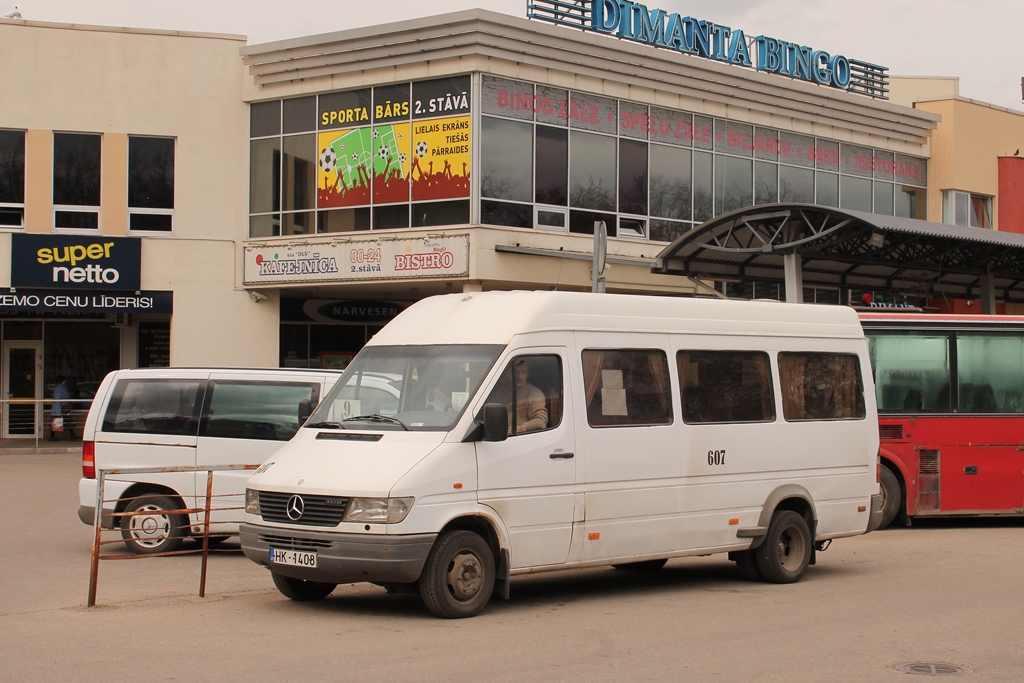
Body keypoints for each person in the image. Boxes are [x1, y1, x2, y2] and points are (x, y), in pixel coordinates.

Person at [490, 359, 548, 434]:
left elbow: (541, 422)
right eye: (516, 372)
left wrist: (516, 429)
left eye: (523, 372)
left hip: (519, 438)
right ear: (508, 373)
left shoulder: (535, 394)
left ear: (527, 374)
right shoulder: (499, 392)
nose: (519, 376)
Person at [50, 375, 75, 441]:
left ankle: (72, 435)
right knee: (64, 422)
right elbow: (57, 401)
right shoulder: (59, 389)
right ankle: (52, 436)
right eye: (64, 381)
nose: (65, 382)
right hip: (60, 409)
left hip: (63, 409)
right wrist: (58, 412)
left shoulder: (62, 388)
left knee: (65, 422)